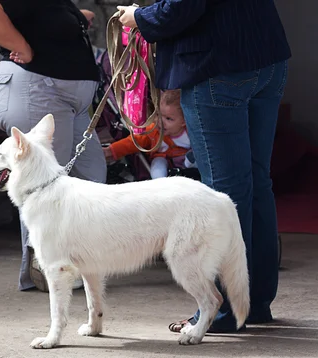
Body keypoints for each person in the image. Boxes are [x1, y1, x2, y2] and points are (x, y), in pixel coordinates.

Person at [117, 1, 291, 333]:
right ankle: (253, 304)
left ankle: (225, 311)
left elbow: (183, 6)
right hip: (265, 54)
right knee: (255, 182)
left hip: (216, 63)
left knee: (226, 191)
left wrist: (139, 18)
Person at [0, 0, 107, 291]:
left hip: (68, 100)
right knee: (44, 186)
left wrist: (77, 21)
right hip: (39, 90)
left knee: (91, 175)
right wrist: (22, 45)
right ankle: (47, 270)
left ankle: (76, 263)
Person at [103, 89, 197, 179]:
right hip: (164, 158)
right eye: (158, 115)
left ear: (184, 121)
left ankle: (189, 163)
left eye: (168, 119)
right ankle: (160, 181)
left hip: (186, 158)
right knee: (157, 166)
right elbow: (132, 142)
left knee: (197, 156)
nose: (160, 121)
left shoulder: (191, 132)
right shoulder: (152, 130)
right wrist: (111, 150)